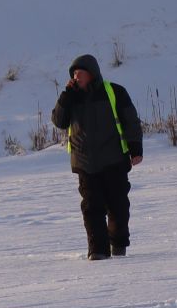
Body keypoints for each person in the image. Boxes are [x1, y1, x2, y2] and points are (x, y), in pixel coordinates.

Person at [49, 53, 142, 260]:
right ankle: (98, 251)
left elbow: (131, 121)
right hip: (85, 162)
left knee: (118, 205)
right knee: (92, 208)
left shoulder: (114, 91)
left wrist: (136, 148)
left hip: (114, 160)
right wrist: (65, 96)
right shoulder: (71, 97)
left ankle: (118, 244)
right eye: (73, 73)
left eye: (79, 72)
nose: (76, 77)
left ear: (91, 74)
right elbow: (58, 121)